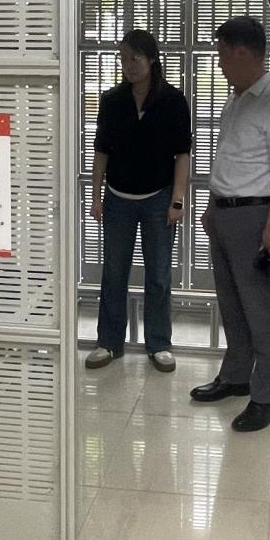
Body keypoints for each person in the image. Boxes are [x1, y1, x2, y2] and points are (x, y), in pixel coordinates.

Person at [190, 16, 270, 432]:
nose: (219, 63)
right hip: (225, 213)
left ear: (241, 52)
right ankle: (236, 376)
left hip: (255, 216)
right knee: (232, 304)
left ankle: (267, 397)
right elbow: (230, 158)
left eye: (221, 54)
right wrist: (212, 205)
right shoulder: (236, 101)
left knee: (262, 309)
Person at [86, 29, 192, 373]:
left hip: (158, 199)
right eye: (124, 59)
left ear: (152, 59)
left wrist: (177, 200)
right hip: (118, 199)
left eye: (135, 58)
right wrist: (96, 196)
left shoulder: (173, 101)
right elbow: (101, 152)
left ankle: (159, 343)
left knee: (159, 274)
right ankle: (108, 341)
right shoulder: (112, 100)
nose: (129, 65)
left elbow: (182, 154)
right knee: (114, 272)